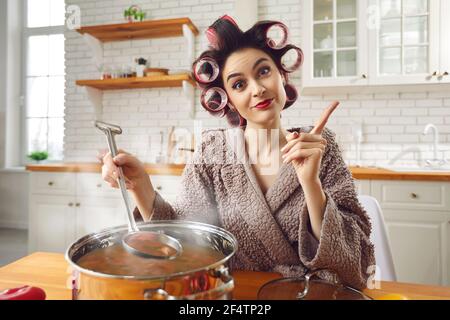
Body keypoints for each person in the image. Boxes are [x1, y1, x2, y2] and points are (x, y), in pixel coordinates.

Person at [100, 15, 376, 289]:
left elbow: (355, 260)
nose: (257, 89)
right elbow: (185, 243)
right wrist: (141, 186)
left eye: (264, 72)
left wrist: (311, 185)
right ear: (228, 100)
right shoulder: (212, 154)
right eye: (239, 84)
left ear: (282, 75)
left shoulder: (319, 146)